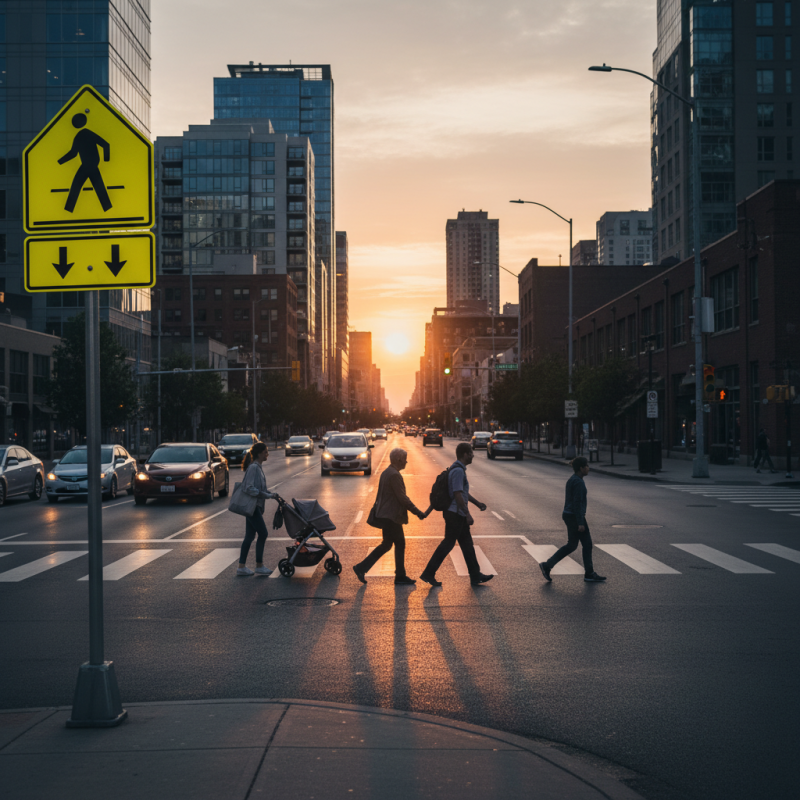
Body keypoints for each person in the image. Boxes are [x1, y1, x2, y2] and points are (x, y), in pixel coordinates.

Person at [419, 442, 493, 587]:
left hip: (455, 513)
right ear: (465, 454)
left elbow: (463, 493)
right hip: (455, 514)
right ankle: (428, 573)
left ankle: (475, 575)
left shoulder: (456, 469)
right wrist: (467, 514)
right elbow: (458, 495)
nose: (472, 455)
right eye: (470, 453)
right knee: (448, 544)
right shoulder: (458, 471)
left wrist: (477, 503)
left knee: (467, 545)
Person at [353, 447, 426, 585]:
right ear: (399, 460)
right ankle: (399, 576)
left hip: (386, 515)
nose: (406, 462)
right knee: (399, 543)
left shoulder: (387, 472)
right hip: (391, 516)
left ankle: (362, 568)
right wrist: (418, 512)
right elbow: (402, 498)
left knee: (387, 544)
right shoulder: (394, 475)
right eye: (404, 459)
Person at [539, 456, 606, 583]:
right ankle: (589, 574)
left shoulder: (573, 479)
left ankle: (547, 565)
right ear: (581, 468)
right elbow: (577, 503)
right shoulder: (578, 482)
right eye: (586, 466)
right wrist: (580, 522)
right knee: (586, 544)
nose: (588, 468)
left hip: (569, 514)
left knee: (572, 545)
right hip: (574, 516)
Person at [236, 442, 278, 576]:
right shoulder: (254, 467)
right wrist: (267, 495)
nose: (267, 454)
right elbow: (248, 488)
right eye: (265, 452)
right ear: (259, 454)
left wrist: (271, 494)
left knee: (249, 536)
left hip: (256, 506)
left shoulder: (257, 467)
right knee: (263, 533)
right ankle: (259, 565)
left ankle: (241, 567)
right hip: (253, 507)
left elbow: (260, 489)